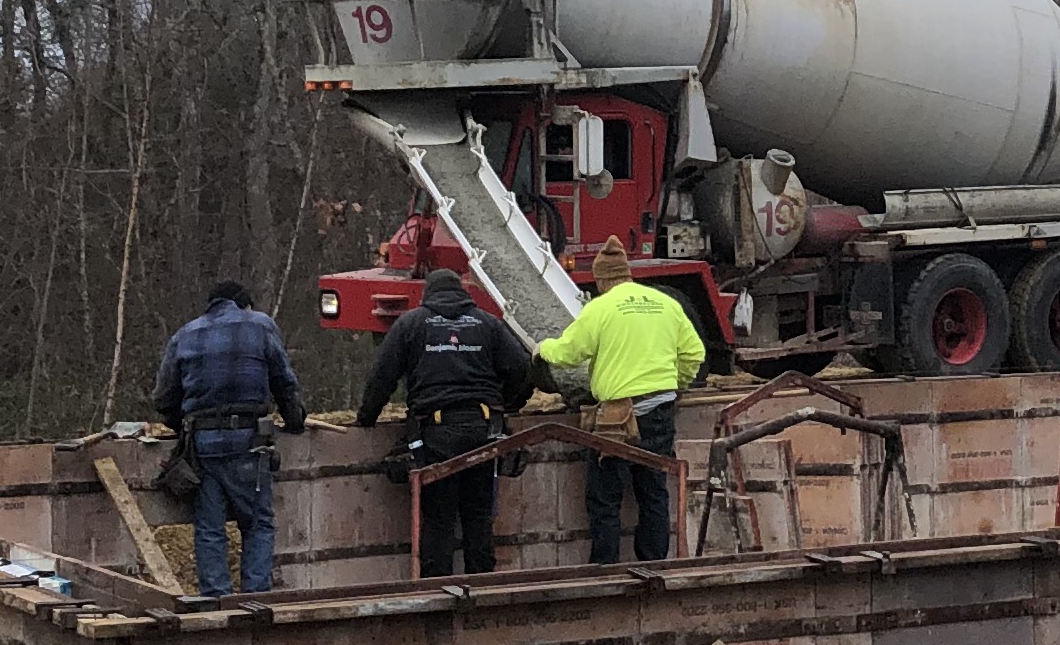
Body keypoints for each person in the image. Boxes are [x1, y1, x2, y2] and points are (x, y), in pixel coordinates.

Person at [356, 268, 541, 578]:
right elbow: (524, 371)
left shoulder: (411, 324)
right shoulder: (487, 323)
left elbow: (382, 378)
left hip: (435, 433)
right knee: (478, 516)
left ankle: (437, 590)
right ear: (462, 292)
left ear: (427, 294)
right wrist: (507, 404)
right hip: (484, 430)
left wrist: (366, 418)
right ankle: (482, 589)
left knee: (439, 519)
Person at [535, 240, 705, 565]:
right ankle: (654, 564)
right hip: (659, 409)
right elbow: (694, 354)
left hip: (616, 418)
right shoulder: (665, 303)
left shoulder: (600, 307)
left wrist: (544, 349)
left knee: (604, 497)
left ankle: (606, 567)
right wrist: (677, 386)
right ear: (627, 275)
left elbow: (570, 352)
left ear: (601, 280)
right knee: (653, 490)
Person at [151, 275, 310, 596]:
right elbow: (284, 382)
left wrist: (183, 426)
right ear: (244, 304)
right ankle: (256, 600)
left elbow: (163, 398)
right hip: (249, 445)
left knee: (209, 529)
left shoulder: (186, 334)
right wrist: (295, 420)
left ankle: (216, 601)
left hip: (203, 448)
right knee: (257, 525)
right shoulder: (260, 326)